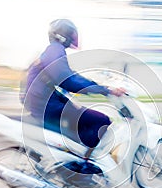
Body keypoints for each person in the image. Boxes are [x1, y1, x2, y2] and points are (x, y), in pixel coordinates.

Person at [23, 19, 125, 157]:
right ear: (63, 34)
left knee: (81, 118)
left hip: (42, 104)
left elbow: (68, 76)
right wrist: (105, 90)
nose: (74, 37)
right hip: (46, 107)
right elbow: (68, 80)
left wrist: (98, 86)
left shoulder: (52, 51)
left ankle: (75, 160)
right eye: (71, 33)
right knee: (101, 120)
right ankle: (84, 165)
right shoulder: (55, 50)